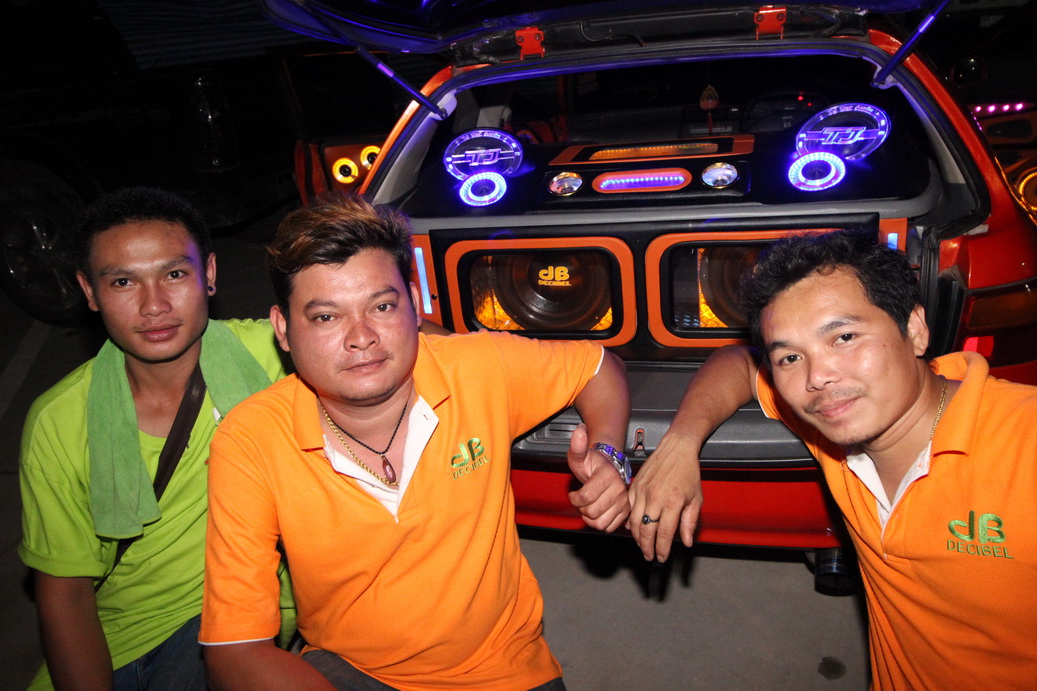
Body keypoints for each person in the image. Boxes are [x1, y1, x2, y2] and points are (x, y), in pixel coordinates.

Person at [199, 195, 631, 690]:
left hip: (506, 669)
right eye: (326, 317)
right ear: (283, 329)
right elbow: (234, 649)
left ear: (413, 303)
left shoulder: (479, 367)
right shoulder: (251, 439)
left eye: (381, 307)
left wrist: (609, 454)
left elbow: (600, 367)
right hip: (351, 671)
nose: (362, 336)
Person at [624, 229, 1037, 688]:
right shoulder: (835, 424)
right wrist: (681, 443)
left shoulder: (1023, 444)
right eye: (790, 358)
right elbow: (738, 362)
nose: (817, 377)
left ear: (915, 330)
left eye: (844, 336)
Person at [17, 187, 292, 690]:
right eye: (123, 281)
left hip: (232, 620)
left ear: (209, 274)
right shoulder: (60, 421)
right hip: (121, 644)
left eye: (174, 274)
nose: (154, 305)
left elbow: (392, 337)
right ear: (89, 291)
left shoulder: (272, 354)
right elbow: (66, 596)